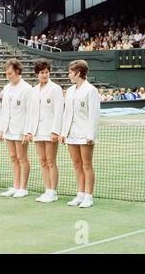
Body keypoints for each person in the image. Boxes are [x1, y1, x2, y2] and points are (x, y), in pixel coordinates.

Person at [60, 60, 100, 208]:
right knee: (77, 164)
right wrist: (64, 132)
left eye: (71, 72)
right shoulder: (69, 91)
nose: (69, 74)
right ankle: (80, 194)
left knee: (87, 164)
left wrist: (91, 135)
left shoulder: (91, 90)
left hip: (85, 134)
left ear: (78, 73)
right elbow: (67, 113)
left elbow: (94, 115)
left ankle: (88, 196)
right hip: (71, 134)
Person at [25, 61, 64, 203]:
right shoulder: (33, 90)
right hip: (37, 131)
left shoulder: (55, 89)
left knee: (51, 161)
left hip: (50, 131)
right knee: (42, 161)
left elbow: (59, 111)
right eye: (42, 72)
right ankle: (47, 190)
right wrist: (29, 131)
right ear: (37, 74)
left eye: (47, 72)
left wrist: (55, 131)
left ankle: (53, 192)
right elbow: (31, 112)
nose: (44, 75)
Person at [0, 59, 32, 198]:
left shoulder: (27, 89)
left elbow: (30, 112)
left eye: (10, 73)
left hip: (20, 129)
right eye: (6, 74)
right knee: (13, 157)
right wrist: (1, 129)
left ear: (18, 71)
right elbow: (4, 110)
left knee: (22, 158)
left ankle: (23, 188)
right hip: (8, 129)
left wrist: (27, 131)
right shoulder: (6, 88)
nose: (8, 76)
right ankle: (16, 186)